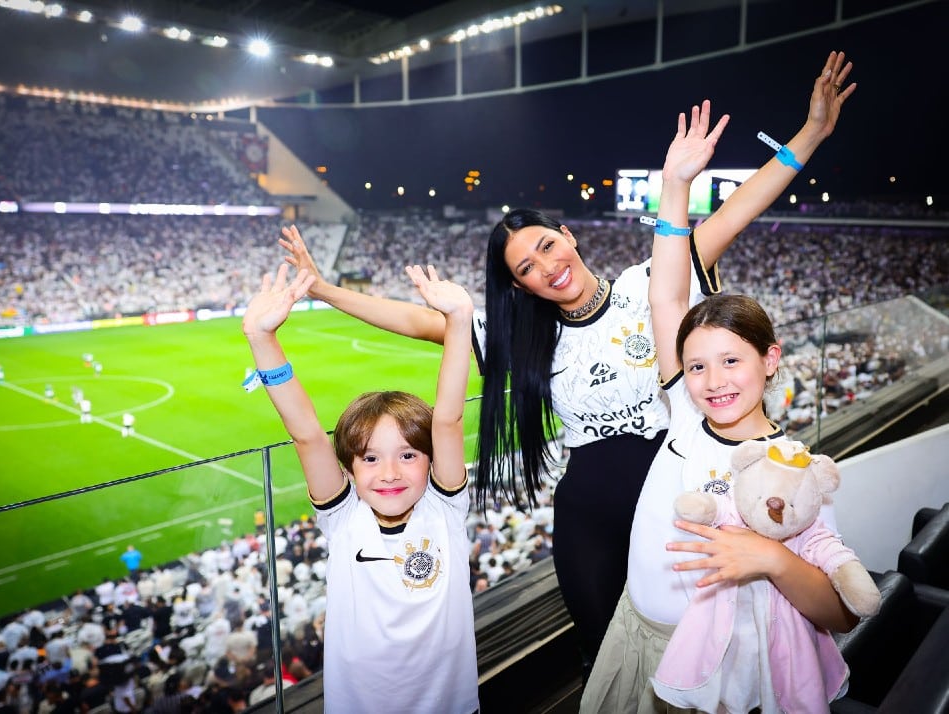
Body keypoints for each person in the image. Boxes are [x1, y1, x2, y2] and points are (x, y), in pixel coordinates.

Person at [275, 50, 856, 678]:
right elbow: (421, 321)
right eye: (525, 268)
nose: (545, 265)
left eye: (547, 245)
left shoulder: (649, 283)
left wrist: (812, 133)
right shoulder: (522, 338)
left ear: (569, 237)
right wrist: (326, 290)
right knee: (605, 651)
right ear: (520, 287)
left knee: (694, 641)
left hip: (674, 488)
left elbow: (736, 210)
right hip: (587, 507)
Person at [581, 72, 859, 713]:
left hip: (718, 669)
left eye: (731, 361)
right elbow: (668, 294)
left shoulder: (791, 468)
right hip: (638, 637)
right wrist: (675, 186)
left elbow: (840, 611)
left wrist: (769, 557)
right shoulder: (681, 409)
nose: (712, 381)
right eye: (697, 365)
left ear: (770, 361)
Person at [241, 262, 479, 713]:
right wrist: (261, 339)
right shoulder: (343, 516)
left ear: (431, 460)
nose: (389, 472)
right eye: (370, 458)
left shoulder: (444, 507)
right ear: (348, 468)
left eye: (408, 455)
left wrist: (460, 318)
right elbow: (307, 433)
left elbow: (447, 418)